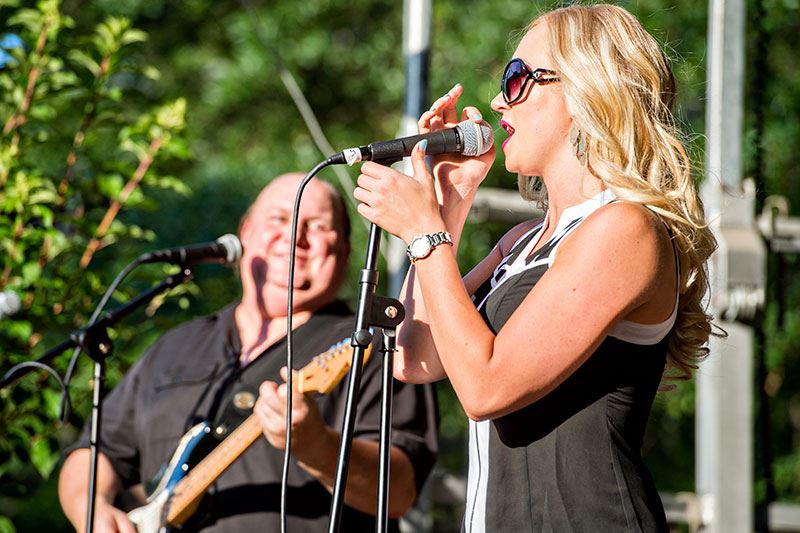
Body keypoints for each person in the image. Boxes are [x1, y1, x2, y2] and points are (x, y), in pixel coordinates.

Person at [354, 4, 716, 532]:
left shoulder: (624, 229)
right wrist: (449, 205)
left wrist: (421, 234)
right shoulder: (522, 240)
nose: (499, 99)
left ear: (589, 87)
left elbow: (485, 389)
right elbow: (414, 357)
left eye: (518, 78)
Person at [58, 173, 438, 532]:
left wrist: (318, 447)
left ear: (344, 249)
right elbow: (95, 450)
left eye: (318, 225)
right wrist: (91, 510)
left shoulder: (375, 343)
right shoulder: (176, 346)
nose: (294, 237)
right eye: (278, 218)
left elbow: (399, 490)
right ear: (245, 233)